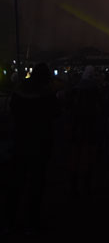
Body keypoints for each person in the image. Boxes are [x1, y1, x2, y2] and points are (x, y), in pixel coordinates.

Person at [6, 63, 58, 234]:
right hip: (40, 144)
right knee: (36, 185)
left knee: (16, 183)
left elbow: (12, 112)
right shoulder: (47, 95)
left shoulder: (19, 92)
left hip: (20, 142)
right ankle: (31, 222)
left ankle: (10, 220)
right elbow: (55, 114)